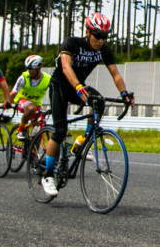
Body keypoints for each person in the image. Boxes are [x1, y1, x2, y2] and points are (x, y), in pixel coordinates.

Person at [41, 13, 134, 197]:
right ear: (88, 32)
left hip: (78, 87)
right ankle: (47, 174)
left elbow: (115, 74)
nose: (101, 40)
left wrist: (124, 93)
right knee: (60, 131)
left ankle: (81, 142)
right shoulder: (71, 43)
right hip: (60, 86)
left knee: (98, 102)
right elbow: (66, 66)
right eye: (97, 36)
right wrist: (77, 86)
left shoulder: (104, 51)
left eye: (104, 36)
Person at [10, 54, 51, 137]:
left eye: (31, 68)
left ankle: (32, 148)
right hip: (22, 101)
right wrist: (7, 104)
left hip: (36, 104)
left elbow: (55, 92)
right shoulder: (23, 77)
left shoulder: (48, 79)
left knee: (39, 126)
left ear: (39, 67)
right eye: (28, 68)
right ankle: (21, 130)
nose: (29, 71)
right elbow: (13, 92)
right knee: (31, 108)